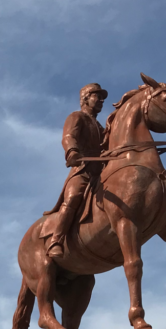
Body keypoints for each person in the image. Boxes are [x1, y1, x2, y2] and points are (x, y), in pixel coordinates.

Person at [45, 83, 108, 258]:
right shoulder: (77, 117)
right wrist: (72, 151)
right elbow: (68, 136)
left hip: (101, 172)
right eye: (97, 96)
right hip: (83, 169)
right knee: (73, 198)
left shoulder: (102, 128)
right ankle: (56, 240)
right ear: (86, 98)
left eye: (102, 98)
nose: (101, 100)